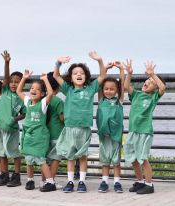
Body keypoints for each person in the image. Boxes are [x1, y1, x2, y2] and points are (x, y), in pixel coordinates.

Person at [54, 51, 106, 193]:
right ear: (71, 77)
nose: (78, 75)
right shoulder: (68, 89)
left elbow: (102, 76)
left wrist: (100, 61)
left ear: (86, 76)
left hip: (84, 128)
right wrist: (58, 63)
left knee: (83, 156)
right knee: (70, 157)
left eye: (81, 73)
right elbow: (56, 76)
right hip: (70, 127)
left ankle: (82, 182)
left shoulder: (90, 89)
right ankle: (70, 181)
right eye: (75, 73)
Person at [124, 60, 166, 194]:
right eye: (148, 80)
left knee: (143, 158)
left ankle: (149, 184)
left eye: (152, 82)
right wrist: (129, 73)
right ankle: (140, 181)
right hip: (132, 131)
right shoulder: (136, 94)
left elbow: (162, 88)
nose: (148, 82)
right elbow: (126, 86)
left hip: (144, 132)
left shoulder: (153, 97)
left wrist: (153, 75)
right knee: (132, 158)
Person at [17, 70, 56, 192]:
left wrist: (45, 79)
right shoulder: (28, 102)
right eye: (32, 88)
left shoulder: (43, 104)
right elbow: (18, 91)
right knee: (28, 158)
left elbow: (50, 93)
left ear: (42, 93)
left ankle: (50, 182)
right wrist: (24, 78)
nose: (33, 90)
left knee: (40, 159)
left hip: (39, 136)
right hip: (28, 135)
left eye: (37, 89)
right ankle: (30, 180)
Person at [0, 51, 26, 187]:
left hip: (11, 129)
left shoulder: (22, 98)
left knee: (14, 153)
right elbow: (5, 77)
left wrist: (15, 119)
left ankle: (16, 176)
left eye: (17, 82)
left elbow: (24, 113)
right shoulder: (4, 91)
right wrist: (7, 63)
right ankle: (4, 174)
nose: (13, 84)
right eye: (12, 82)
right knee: (1, 153)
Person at [96, 61, 125, 193]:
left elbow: (122, 83)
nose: (108, 91)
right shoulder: (101, 100)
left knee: (116, 161)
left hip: (116, 137)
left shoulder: (119, 101)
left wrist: (121, 69)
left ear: (117, 90)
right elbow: (101, 81)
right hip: (104, 136)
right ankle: (104, 181)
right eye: (106, 89)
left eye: (112, 89)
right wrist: (104, 69)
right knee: (105, 161)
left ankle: (117, 183)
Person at [44, 72, 64, 185]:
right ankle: (51, 181)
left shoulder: (43, 99)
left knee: (45, 159)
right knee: (55, 158)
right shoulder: (58, 101)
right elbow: (62, 118)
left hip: (44, 134)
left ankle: (44, 180)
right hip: (57, 134)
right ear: (59, 86)